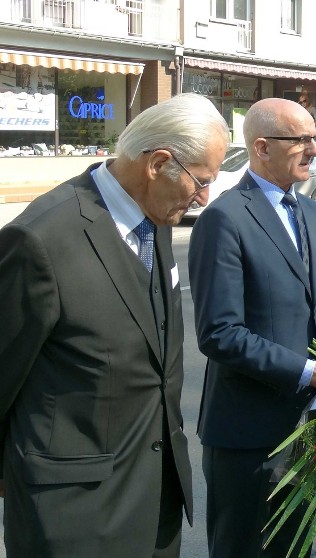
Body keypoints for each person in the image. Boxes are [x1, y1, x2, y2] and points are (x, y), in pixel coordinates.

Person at [0, 93, 229, 557]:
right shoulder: (40, 238)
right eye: (200, 182)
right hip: (71, 518)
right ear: (157, 163)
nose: (204, 197)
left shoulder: (154, 216)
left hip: (156, 505)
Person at [188, 97, 316, 557]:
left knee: (297, 548)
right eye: (301, 140)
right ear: (262, 148)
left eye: (315, 137)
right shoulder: (225, 218)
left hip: (311, 428)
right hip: (249, 436)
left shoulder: (310, 213)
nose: (314, 150)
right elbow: (220, 333)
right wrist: (308, 371)